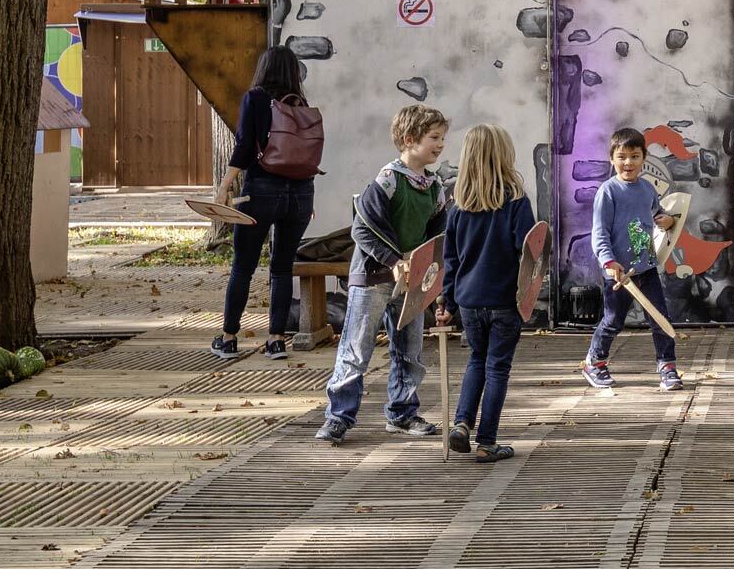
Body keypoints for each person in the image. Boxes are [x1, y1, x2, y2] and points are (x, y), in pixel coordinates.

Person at [317, 104, 450, 444]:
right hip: (374, 279)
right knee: (356, 349)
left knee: (410, 350)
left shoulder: (435, 187)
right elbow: (363, 229)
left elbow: (437, 236)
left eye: (442, 138)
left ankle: (402, 412)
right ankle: (338, 417)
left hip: (412, 283)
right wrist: (392, 260)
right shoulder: (387, 180)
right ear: (409, 139)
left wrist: (431, 274)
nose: (440, 145)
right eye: (434, 138)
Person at [439, 124, 537, 463]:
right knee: (497, 367)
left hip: (468, 301)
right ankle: (487, 442)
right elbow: (528, 251)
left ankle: (462, 423)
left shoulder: (457, 209)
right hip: (504, 300)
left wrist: (447, 303)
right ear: (504, 155)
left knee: (476, 361)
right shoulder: (516, 202)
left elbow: (449, 260)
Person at [213, 46, 317, 361]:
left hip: (261, 192)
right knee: (283, 268)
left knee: (243, 267)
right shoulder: (301, 105)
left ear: (264, 68)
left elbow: (244, 145)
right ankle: (275, 341)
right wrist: (307, 197)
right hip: (300, 194)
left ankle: (229, 338)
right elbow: (307, 155)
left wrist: (225, 185)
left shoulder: (255, 98)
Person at [583, 128, 683, 391]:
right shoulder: (608, 191)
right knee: (613, 320)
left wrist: (669, 220)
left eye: (635, 156)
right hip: (617, 272)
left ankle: (668, 366)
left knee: (659, 317)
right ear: (612, 159)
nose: (628, 163)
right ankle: (595, 362)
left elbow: (659, 215)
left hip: (645, 267)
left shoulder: (647, 188)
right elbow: (599, 233)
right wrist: (609, 262)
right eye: (622, 157)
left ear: (644, 158)